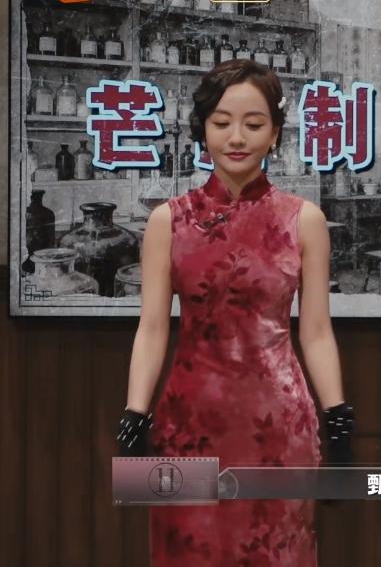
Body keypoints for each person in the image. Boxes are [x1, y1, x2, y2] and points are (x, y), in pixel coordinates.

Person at [116, 59, 354, 566]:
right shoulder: (167, 221)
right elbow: (152, 328)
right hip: (188, 422)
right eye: (222, 122)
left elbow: (316, 332)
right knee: (186, 553)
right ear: (202, 128)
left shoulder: (304, 221)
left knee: (278, 553)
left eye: (254, 123)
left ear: (275, 133)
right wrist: (135, 413)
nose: (237, 137)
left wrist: (338, 421)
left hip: (278, 425)